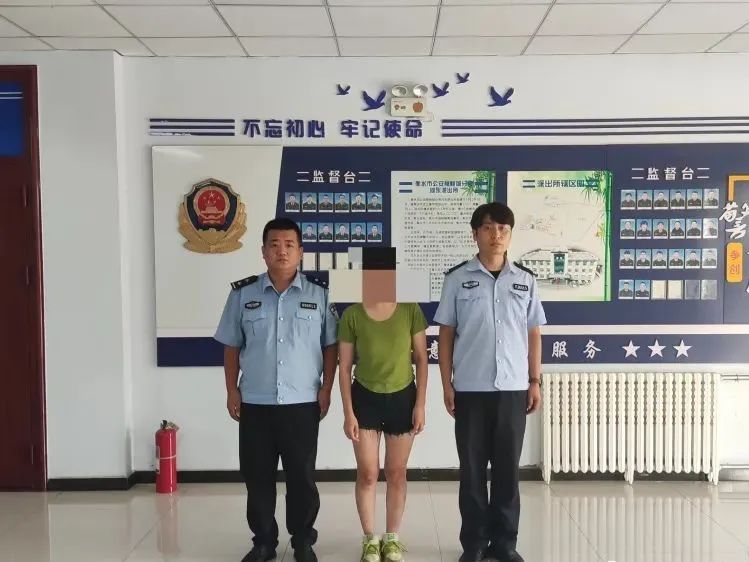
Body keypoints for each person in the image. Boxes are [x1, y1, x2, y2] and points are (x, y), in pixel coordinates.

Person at [214, 218, 338, 562]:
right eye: (274, 244)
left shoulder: (319, 294)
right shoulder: (243, 294)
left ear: (301, 251)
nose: (281, 251)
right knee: (257, 477)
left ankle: (303, 541)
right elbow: (231, 346)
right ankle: (264, 542)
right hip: (255, 402)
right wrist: (231, 391)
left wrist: (327, 388)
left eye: (289, 244)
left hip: (302, 402)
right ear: (263, 251)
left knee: (302, 476)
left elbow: (330, 347)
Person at [435, 202, 545, 562]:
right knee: (472, 472)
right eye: (488, 228)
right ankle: (475, 544)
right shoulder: (456, 279)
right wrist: (447, 384)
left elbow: (534, 333)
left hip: (513, 389)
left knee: (507, 472)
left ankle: (505, 543)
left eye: (503, 228)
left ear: (510, 234)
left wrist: (534, 380)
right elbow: (446, 334)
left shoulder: (525, 280)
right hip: (470, 390)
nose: (496, 235)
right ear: (475, 234)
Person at [338, 247, 428, 562]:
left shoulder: (410, 310)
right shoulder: (352, 315)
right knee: (367, 472)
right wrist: (348, 412)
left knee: (396, 472)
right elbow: (344, 367)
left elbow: (421, 359)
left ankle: (391, 538)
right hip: (365, 399)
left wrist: (420, 404)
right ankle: (369, 539)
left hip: (403, 398)